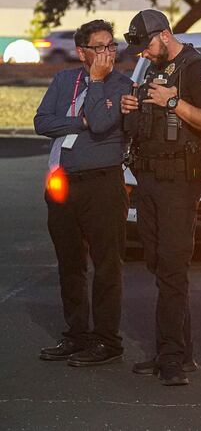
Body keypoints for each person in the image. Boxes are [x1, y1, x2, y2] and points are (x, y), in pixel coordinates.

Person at [120, 9, 201, 386]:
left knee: (173, 267)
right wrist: (132, 109)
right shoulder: (154, 70)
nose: (142, 54)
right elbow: (146, 124)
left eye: (146, 46)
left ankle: (172, 358)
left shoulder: (196, 68)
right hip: (148, 180)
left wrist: (173, 102)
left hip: (178, 183)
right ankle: (177, 350)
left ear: (165, 34)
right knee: (159, 265)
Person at [34, 19, 131, 366]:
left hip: (102, 182)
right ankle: (76, 334)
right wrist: (80, 123)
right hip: (64, 181)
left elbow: (104, 124)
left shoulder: (122, 85)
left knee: (107, 264)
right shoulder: (63, 80)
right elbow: (42, 122)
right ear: (82, 52)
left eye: (111, 46)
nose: (107, 53)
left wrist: (97, 83)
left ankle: (107, 339)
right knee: (70, 263)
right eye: (99, 47)